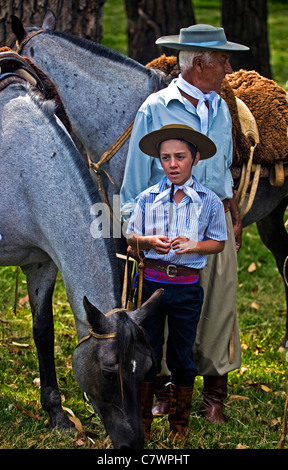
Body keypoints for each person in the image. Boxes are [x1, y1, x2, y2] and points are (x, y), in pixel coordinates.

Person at [121, 24, 249, 424]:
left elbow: (223, 170)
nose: (229, 68)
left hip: (214, 224)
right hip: (166, 230)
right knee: (161, 308)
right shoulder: (156, 109)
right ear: (198, 64)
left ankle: (213, 395)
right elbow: (134, 182)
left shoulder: (221, 108)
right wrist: (135, 237)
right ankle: (162, 390)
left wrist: (231, 212)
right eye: (223, 60)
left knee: (219, 306)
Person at [126, 124, 227, 439]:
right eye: (165, 157)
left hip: (186, 288)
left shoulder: (209, 201)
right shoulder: (146, 199)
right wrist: (147, 241)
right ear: (159, 161)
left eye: (180, 157)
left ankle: (178, 426)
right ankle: (142, 421)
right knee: (148, 353)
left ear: (195, 159)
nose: (172, 164)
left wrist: (194, 245)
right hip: (150, 286)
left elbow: (219, 242)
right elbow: (130, 241)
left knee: (181, 354)